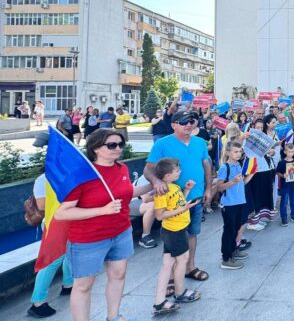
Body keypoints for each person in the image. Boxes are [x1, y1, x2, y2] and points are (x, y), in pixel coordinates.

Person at [54, 129, 153, 321]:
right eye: (111, 145)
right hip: (88, 239)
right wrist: (101, 210)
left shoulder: (121, 169)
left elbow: (127, 192)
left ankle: (113, 316)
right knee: (84, 285)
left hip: (121, 232)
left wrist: (153, 185)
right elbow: (62, 212)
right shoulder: (82, 175)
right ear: (96, 148)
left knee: (118, 275)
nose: (118, 149)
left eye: (120, 145)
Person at [144, 111, 213, 283]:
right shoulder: (162, 144)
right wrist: (155, 181)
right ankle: (171, 276)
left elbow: (206, 166)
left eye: (191, 121)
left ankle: (190, 267)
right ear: (174, 125)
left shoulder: (200, 143)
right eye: (183, 122)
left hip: (194, 198)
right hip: (172, 201)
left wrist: (209, 189)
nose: (188, 124)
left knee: (192, 233)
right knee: (173, 237)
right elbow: (148, 169)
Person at [27, 133, 73, 319]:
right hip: (55, 223)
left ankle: (68, 285)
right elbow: (43, 206)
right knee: (52, 260)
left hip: (70, 219)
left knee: (70, 251)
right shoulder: (43, 180)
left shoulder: (68, 176)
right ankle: (38, 302)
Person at [151, 158, 201, 316]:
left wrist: (186, 191)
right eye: (177, 170)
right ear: (167, 176)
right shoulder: (163, 191)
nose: (180, 172)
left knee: (168, 263)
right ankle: (180, 293)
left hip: (177, 229)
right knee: (182, 259)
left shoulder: (174, 186)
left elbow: (178, 203)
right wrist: (184, 209)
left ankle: (159, 301)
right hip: (173, 231)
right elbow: (160, 215)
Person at [215, 141, 254, 269]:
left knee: (236, 229)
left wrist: (252, 174)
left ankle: (233, 251)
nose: (238, 154)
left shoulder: (239, 165)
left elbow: (242, 183)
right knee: (229, 230)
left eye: (240, 152)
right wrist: (232, 181)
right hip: (229, 204)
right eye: (235, 152)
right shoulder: (224, 167)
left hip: (240, 202)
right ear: (228, 152)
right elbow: (219, 187)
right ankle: (226, 258)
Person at [276, 143, 294, 226]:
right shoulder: (281, 162)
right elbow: (277, 172)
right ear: (285, 152)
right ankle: (284, 218)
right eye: (289, 151)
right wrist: (283, 175)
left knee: (293, 200)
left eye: (292, 151)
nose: (291, 153)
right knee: (284, 201)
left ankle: (293, 215)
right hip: (285, 185)